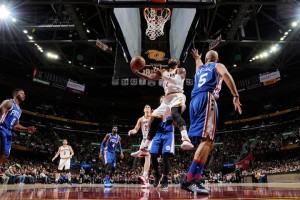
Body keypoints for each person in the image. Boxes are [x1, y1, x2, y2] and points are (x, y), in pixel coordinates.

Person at [180, 49, 242, 195]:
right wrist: (235, 95)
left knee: (208, 141)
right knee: (208, 140)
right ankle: (188, 179)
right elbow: (226, 75)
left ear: (206, 58)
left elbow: (198, 63)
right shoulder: (217, 65)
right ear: (216, 59)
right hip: (207, 99)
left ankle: (197, 177)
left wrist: (196, 57)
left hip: (194, 101)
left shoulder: (200, 69)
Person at [134, 58, 194, 152]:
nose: (171, 59)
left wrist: (162, 75)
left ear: (177, 63)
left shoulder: (180, 70)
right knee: (154, 119)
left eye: (173, 59)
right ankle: (146, 145)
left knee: (175, 114)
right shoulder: (164, 72)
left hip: (177, 95)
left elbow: (177, 82)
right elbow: (149, 77)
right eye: (170, 59)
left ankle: (185, 138)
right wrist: (136, 72)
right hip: (166, 98)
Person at [0, 89, 36, 165]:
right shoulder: (9, 102)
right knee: (2, 150)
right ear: (16, 94)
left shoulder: (19, 111)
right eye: (22, 93)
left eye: (24, 94)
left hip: (9, 131)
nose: (24, 95)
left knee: (6, 154)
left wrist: (27, 128)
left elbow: (16, 125)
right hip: (1, 128)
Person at [150, 96, 175, 190]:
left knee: (165, 155)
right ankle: (157, 174)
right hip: (158, 133)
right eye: (161, 100)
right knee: (152, 154)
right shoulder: (156, 111)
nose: (163, 101)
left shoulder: (172, 110)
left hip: (168, 133)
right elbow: (151, 125)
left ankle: (165, 179)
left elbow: (176, 122)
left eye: (165, 100)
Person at [128, 104, 152, 187]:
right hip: (144, 140)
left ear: (151, 110)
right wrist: (132, 131)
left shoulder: (153, 117)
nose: (147, 108)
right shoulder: (141, 119)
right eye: (146, 107)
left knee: (147, 155)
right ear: (143, 110)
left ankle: (144, 175)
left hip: (152, 139)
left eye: (149, 107)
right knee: (142, 159)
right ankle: (146, 179)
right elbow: (136, 129)